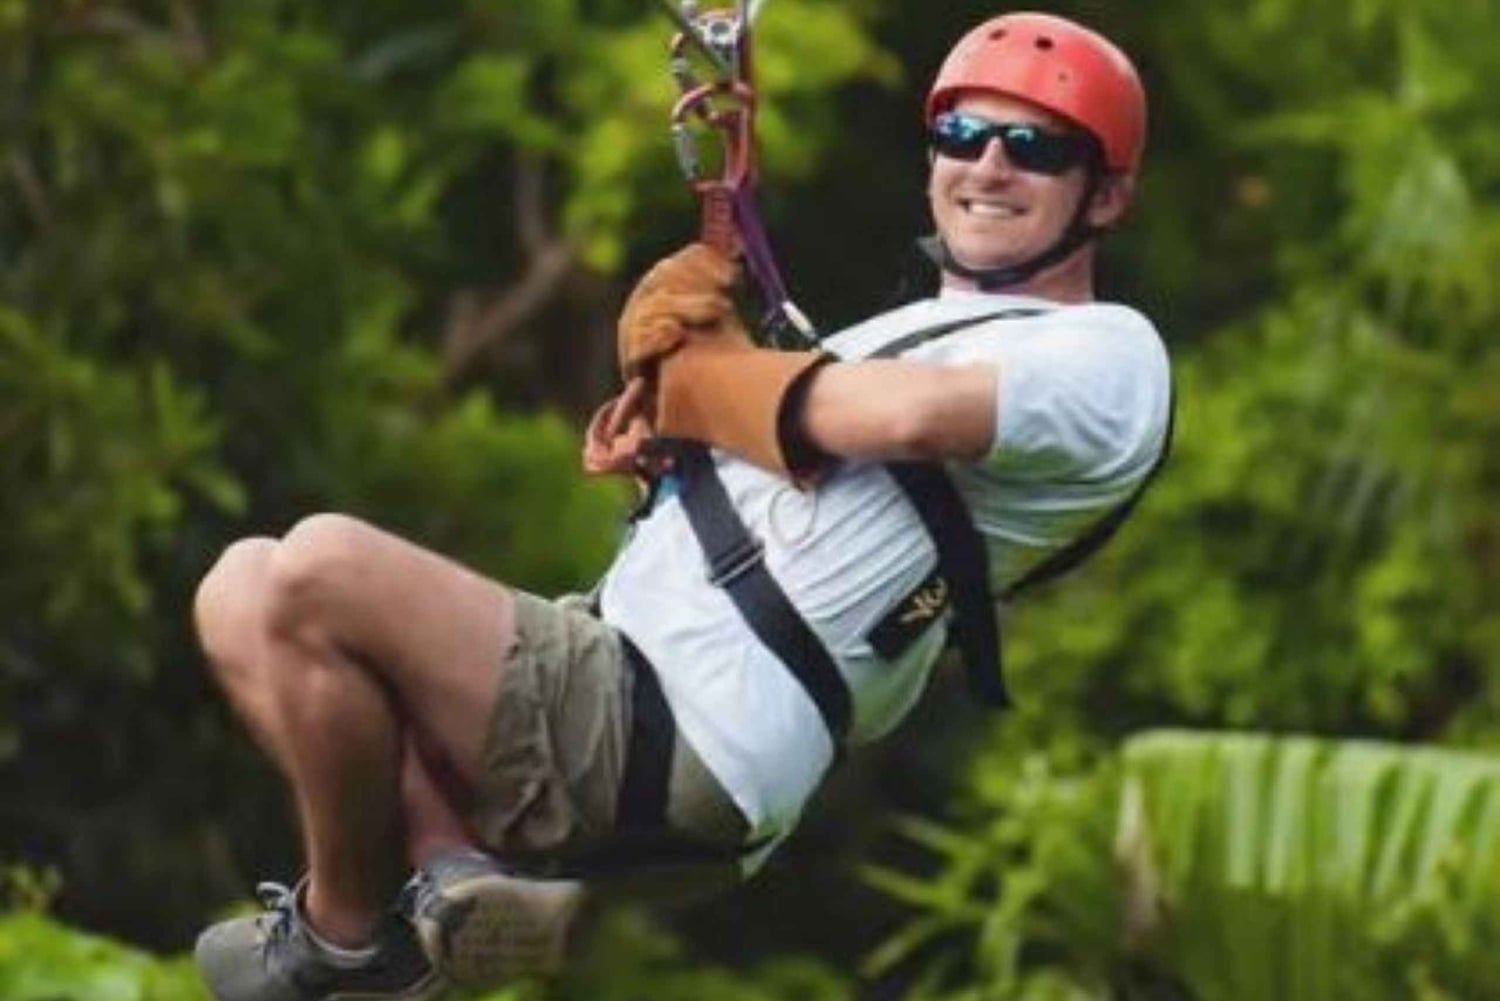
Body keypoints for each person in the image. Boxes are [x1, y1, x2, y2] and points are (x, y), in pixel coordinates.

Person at [190, 11, 1171, 1001]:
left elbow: (906, 417)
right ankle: (452, 876)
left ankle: (349, 939)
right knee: (239, 587)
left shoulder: (1109, 355)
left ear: (1107, 194)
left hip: (686, 717)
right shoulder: (914, 328)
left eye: (1034, 147)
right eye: (963, 135)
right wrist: (685, 450)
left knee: (322, 563)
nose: (988, 165)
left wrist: (701, 381)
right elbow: (830, 467)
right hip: (640, 676)